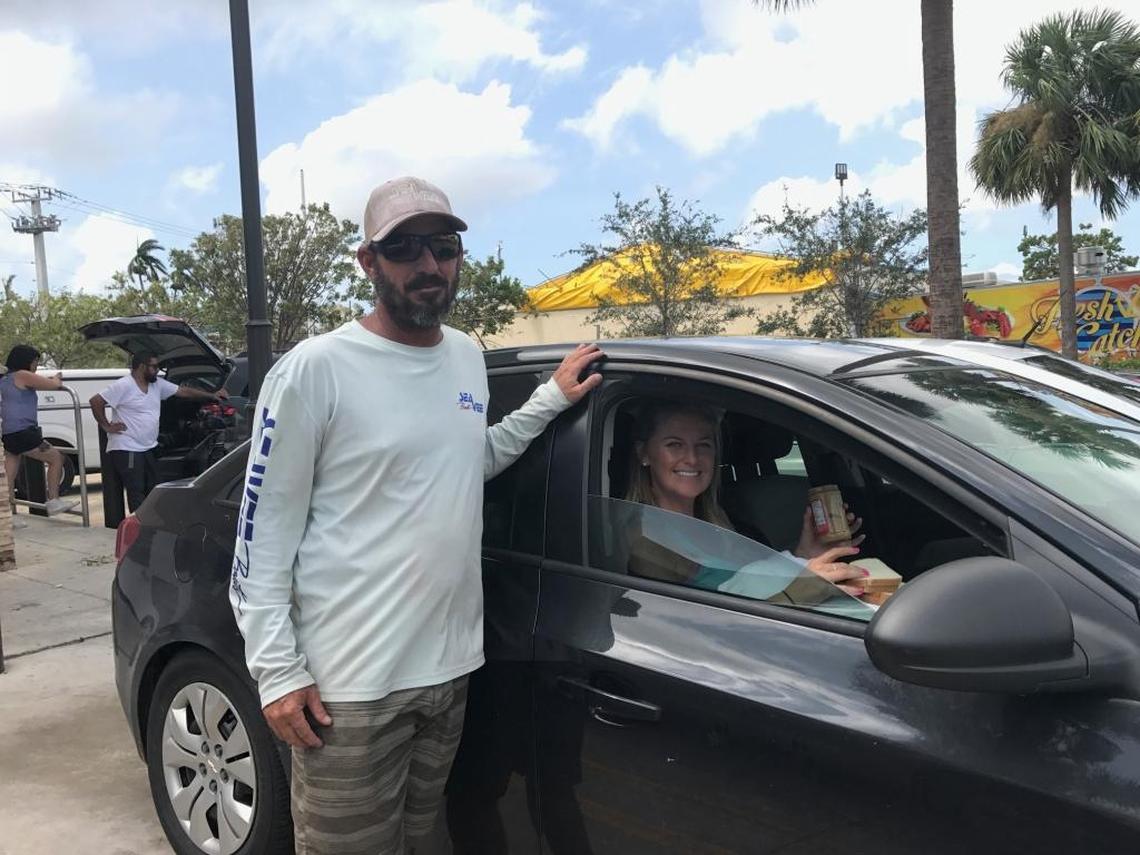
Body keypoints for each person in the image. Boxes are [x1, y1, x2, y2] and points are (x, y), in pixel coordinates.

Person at [229, 175, 604, 855]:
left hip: (449, 670)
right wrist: (278, 671)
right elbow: (261, 536)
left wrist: (549, 400)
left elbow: (468, 459)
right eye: (404, 249)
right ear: (368, 262)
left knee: (421, 840)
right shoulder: (316, 370)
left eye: (443, 246)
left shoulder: (466, 355)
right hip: (350, 688)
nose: (428, 265)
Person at [623, 400, 868, 600]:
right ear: (644, 453)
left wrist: (806, 553)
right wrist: (799, 592)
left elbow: (752, 584)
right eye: (674, 445)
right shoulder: (643, 540)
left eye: (704, 445)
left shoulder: (722, 521)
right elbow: (704, 628)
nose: (692, 458)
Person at [89, 352, 227, 512]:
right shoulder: (124, 385)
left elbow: (183, 391)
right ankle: (138, 529)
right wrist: (106, 425)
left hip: (148, 447)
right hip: (127, 447)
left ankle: (149, 522)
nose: (158, 370)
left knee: (154, 487)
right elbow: (96, 401)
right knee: (136, 490)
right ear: (142, 367)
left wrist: (212, 395)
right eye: (154, 366)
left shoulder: (157, 384)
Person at [0, 345, 80, 517]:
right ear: (26, 361)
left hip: (9, 432)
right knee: (57, 458)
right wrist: (57, 379)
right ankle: (53, 501)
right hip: (24, 431)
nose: (36, 365)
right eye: (35, 361)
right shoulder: (23, 375)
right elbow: (52, 385)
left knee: (8, 478)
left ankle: (5, 516)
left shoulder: (6, 378)